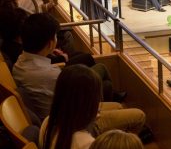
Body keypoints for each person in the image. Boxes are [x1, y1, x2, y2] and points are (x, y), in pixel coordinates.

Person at [13, 14, 144, 125]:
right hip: (72, 122)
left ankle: (111, 97)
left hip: (59, 113)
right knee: (132, 112)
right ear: (50, 43)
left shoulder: (19, 63)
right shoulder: (51, 75)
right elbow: (80, 100)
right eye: (55, 36)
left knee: (103, 78)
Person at [39, 65, 145, 149]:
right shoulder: (86, 147)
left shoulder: (47, 122)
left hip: (83, 132)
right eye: (96, 98)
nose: (99, 102)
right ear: (87, 103)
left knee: (118, 106)